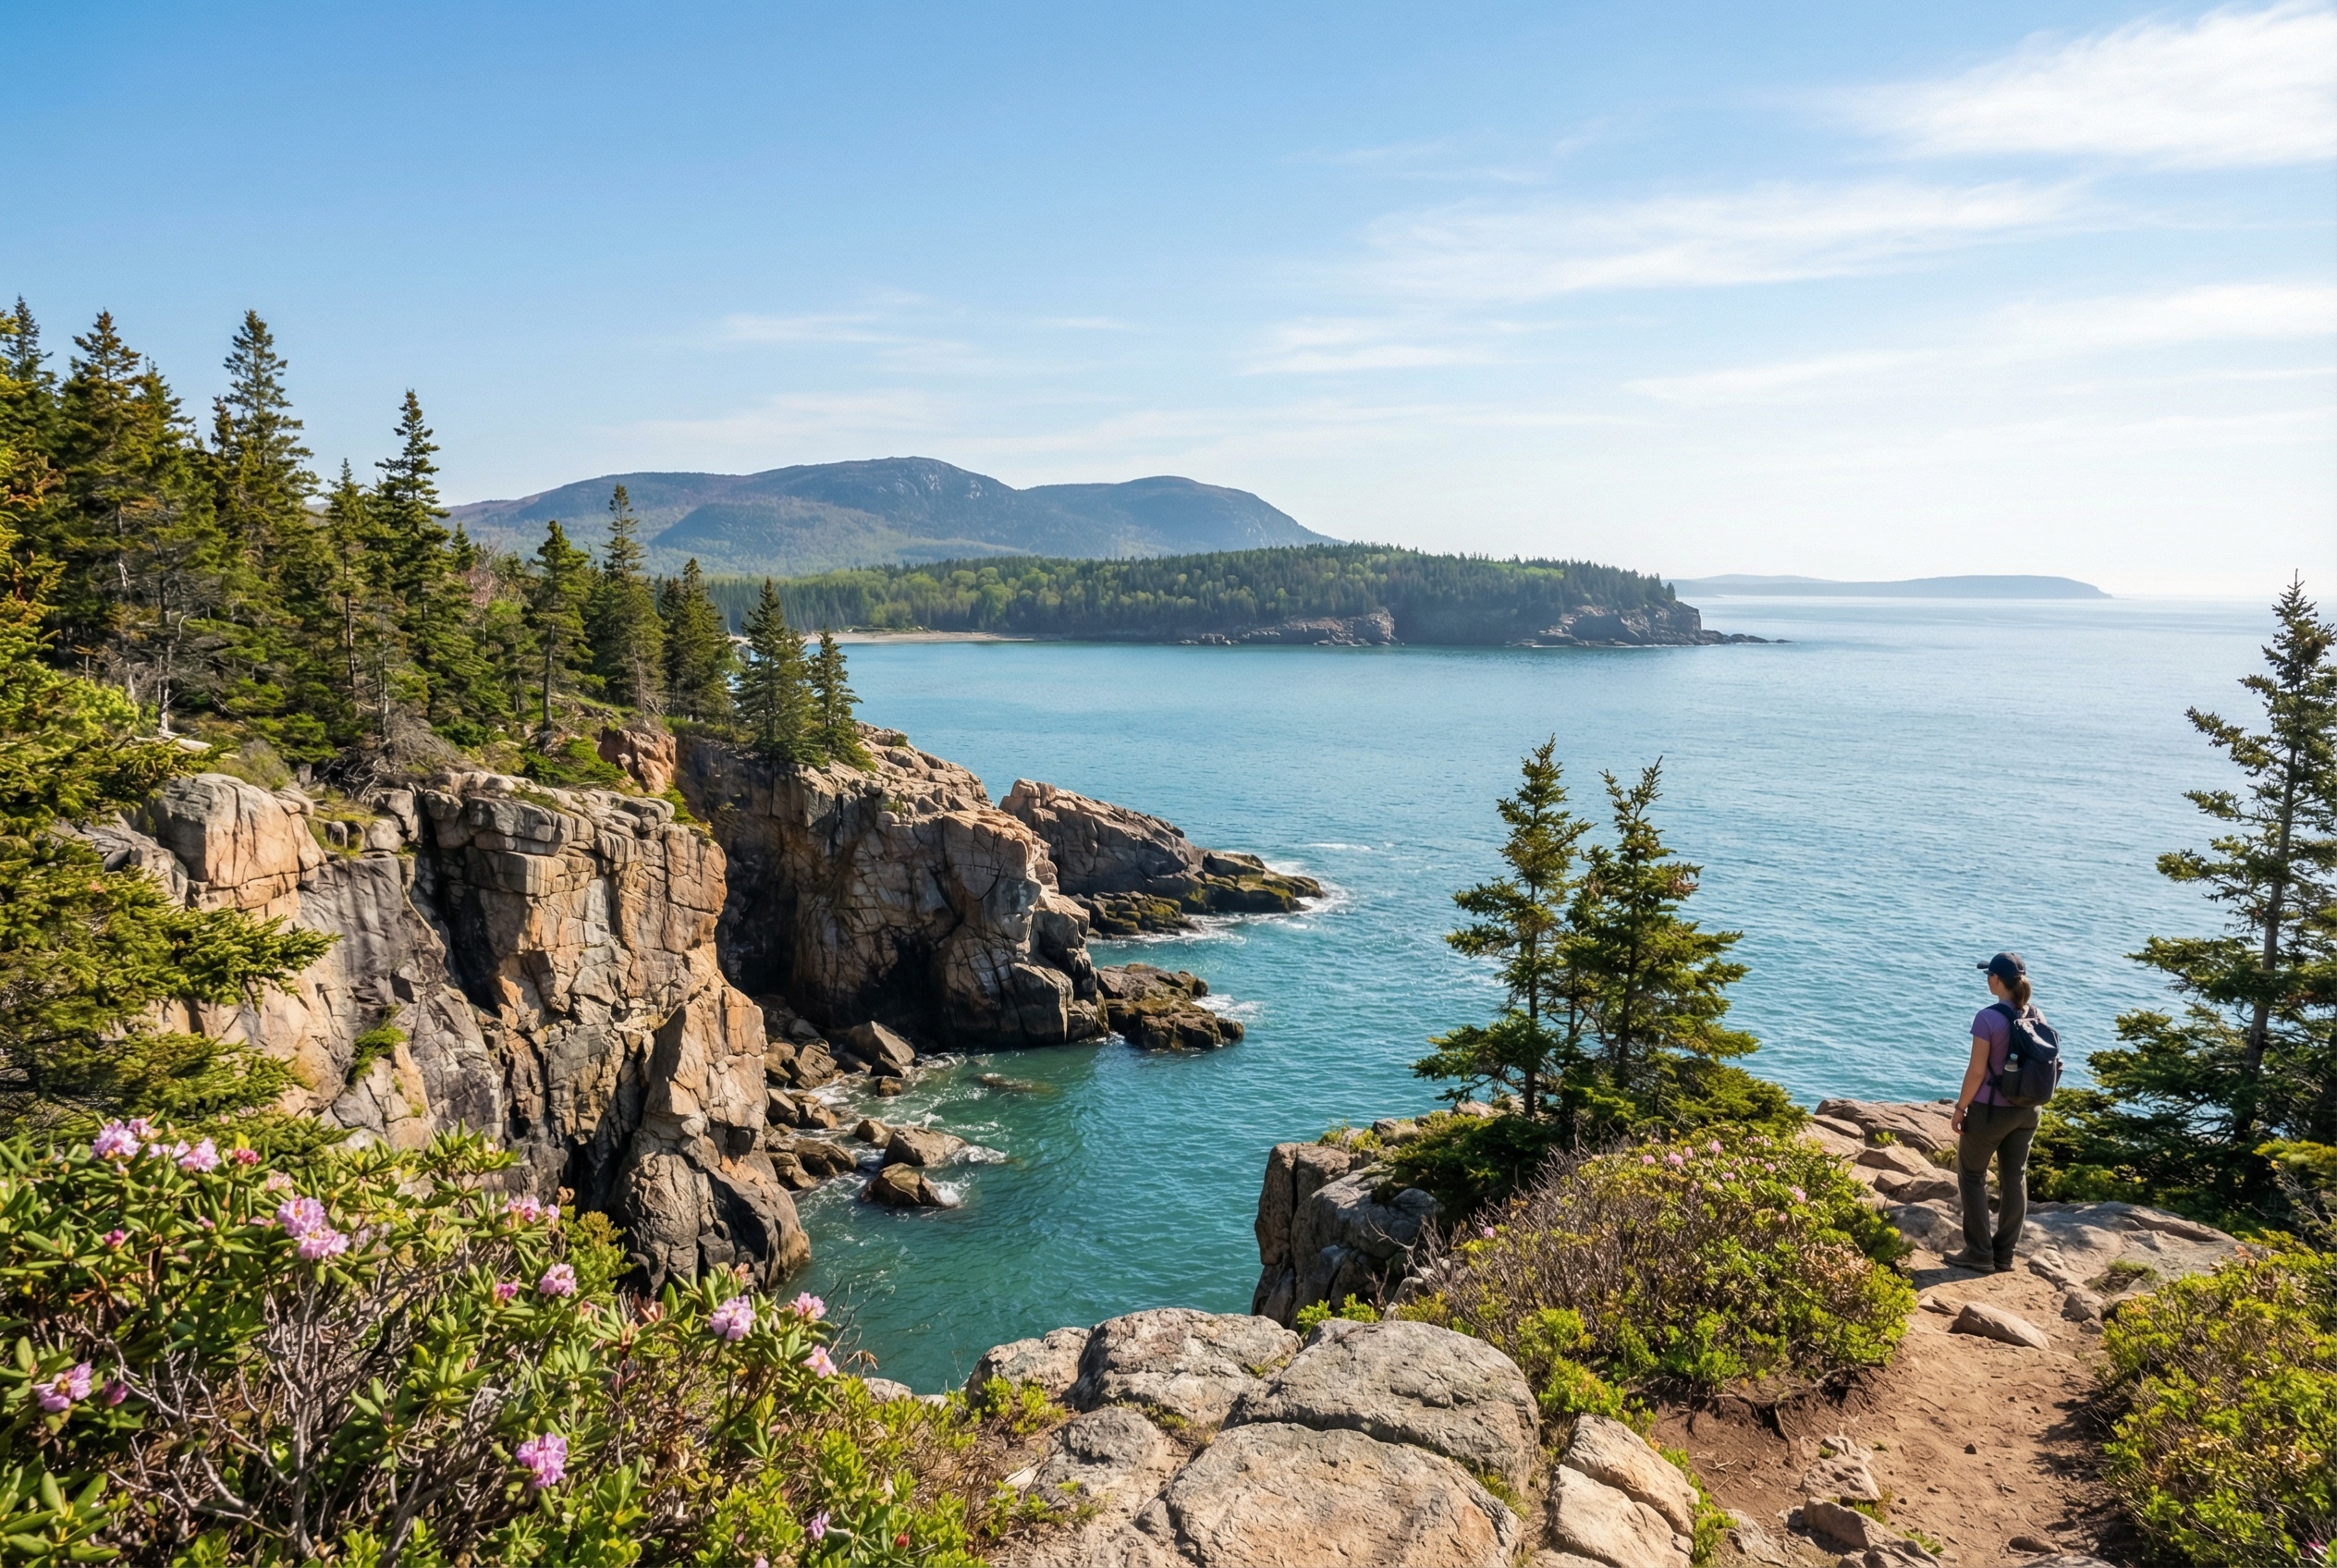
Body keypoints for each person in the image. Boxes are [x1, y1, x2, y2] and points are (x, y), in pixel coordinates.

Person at [1946, 951, 2045, 1273]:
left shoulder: (1987, 1019)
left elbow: (1977, 1072)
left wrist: (1961, 1108)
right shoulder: (2036, 1015)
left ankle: (1979, 1253)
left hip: (1991, 1111)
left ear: (1997, 980)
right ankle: (2004, 1255)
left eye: (1989, 975)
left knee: (1972, 1174)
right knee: (2014, 1178)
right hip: (2028, 1111)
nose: (1987, 979)